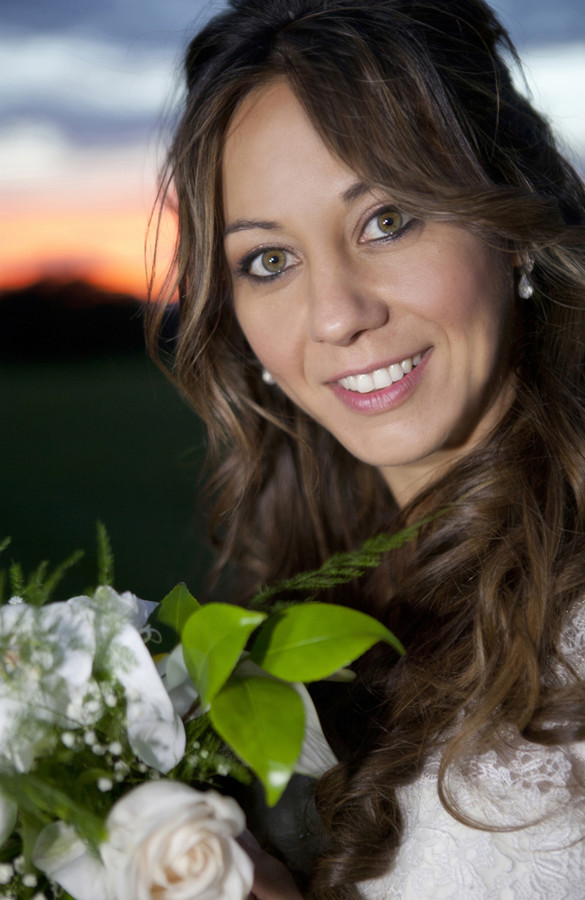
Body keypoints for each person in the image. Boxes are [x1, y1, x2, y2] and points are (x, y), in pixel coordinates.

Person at [146, 1, 585, 897]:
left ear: (509, 232)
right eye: (269, 261)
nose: (338, 316)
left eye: (387, 219)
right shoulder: (304, 601)